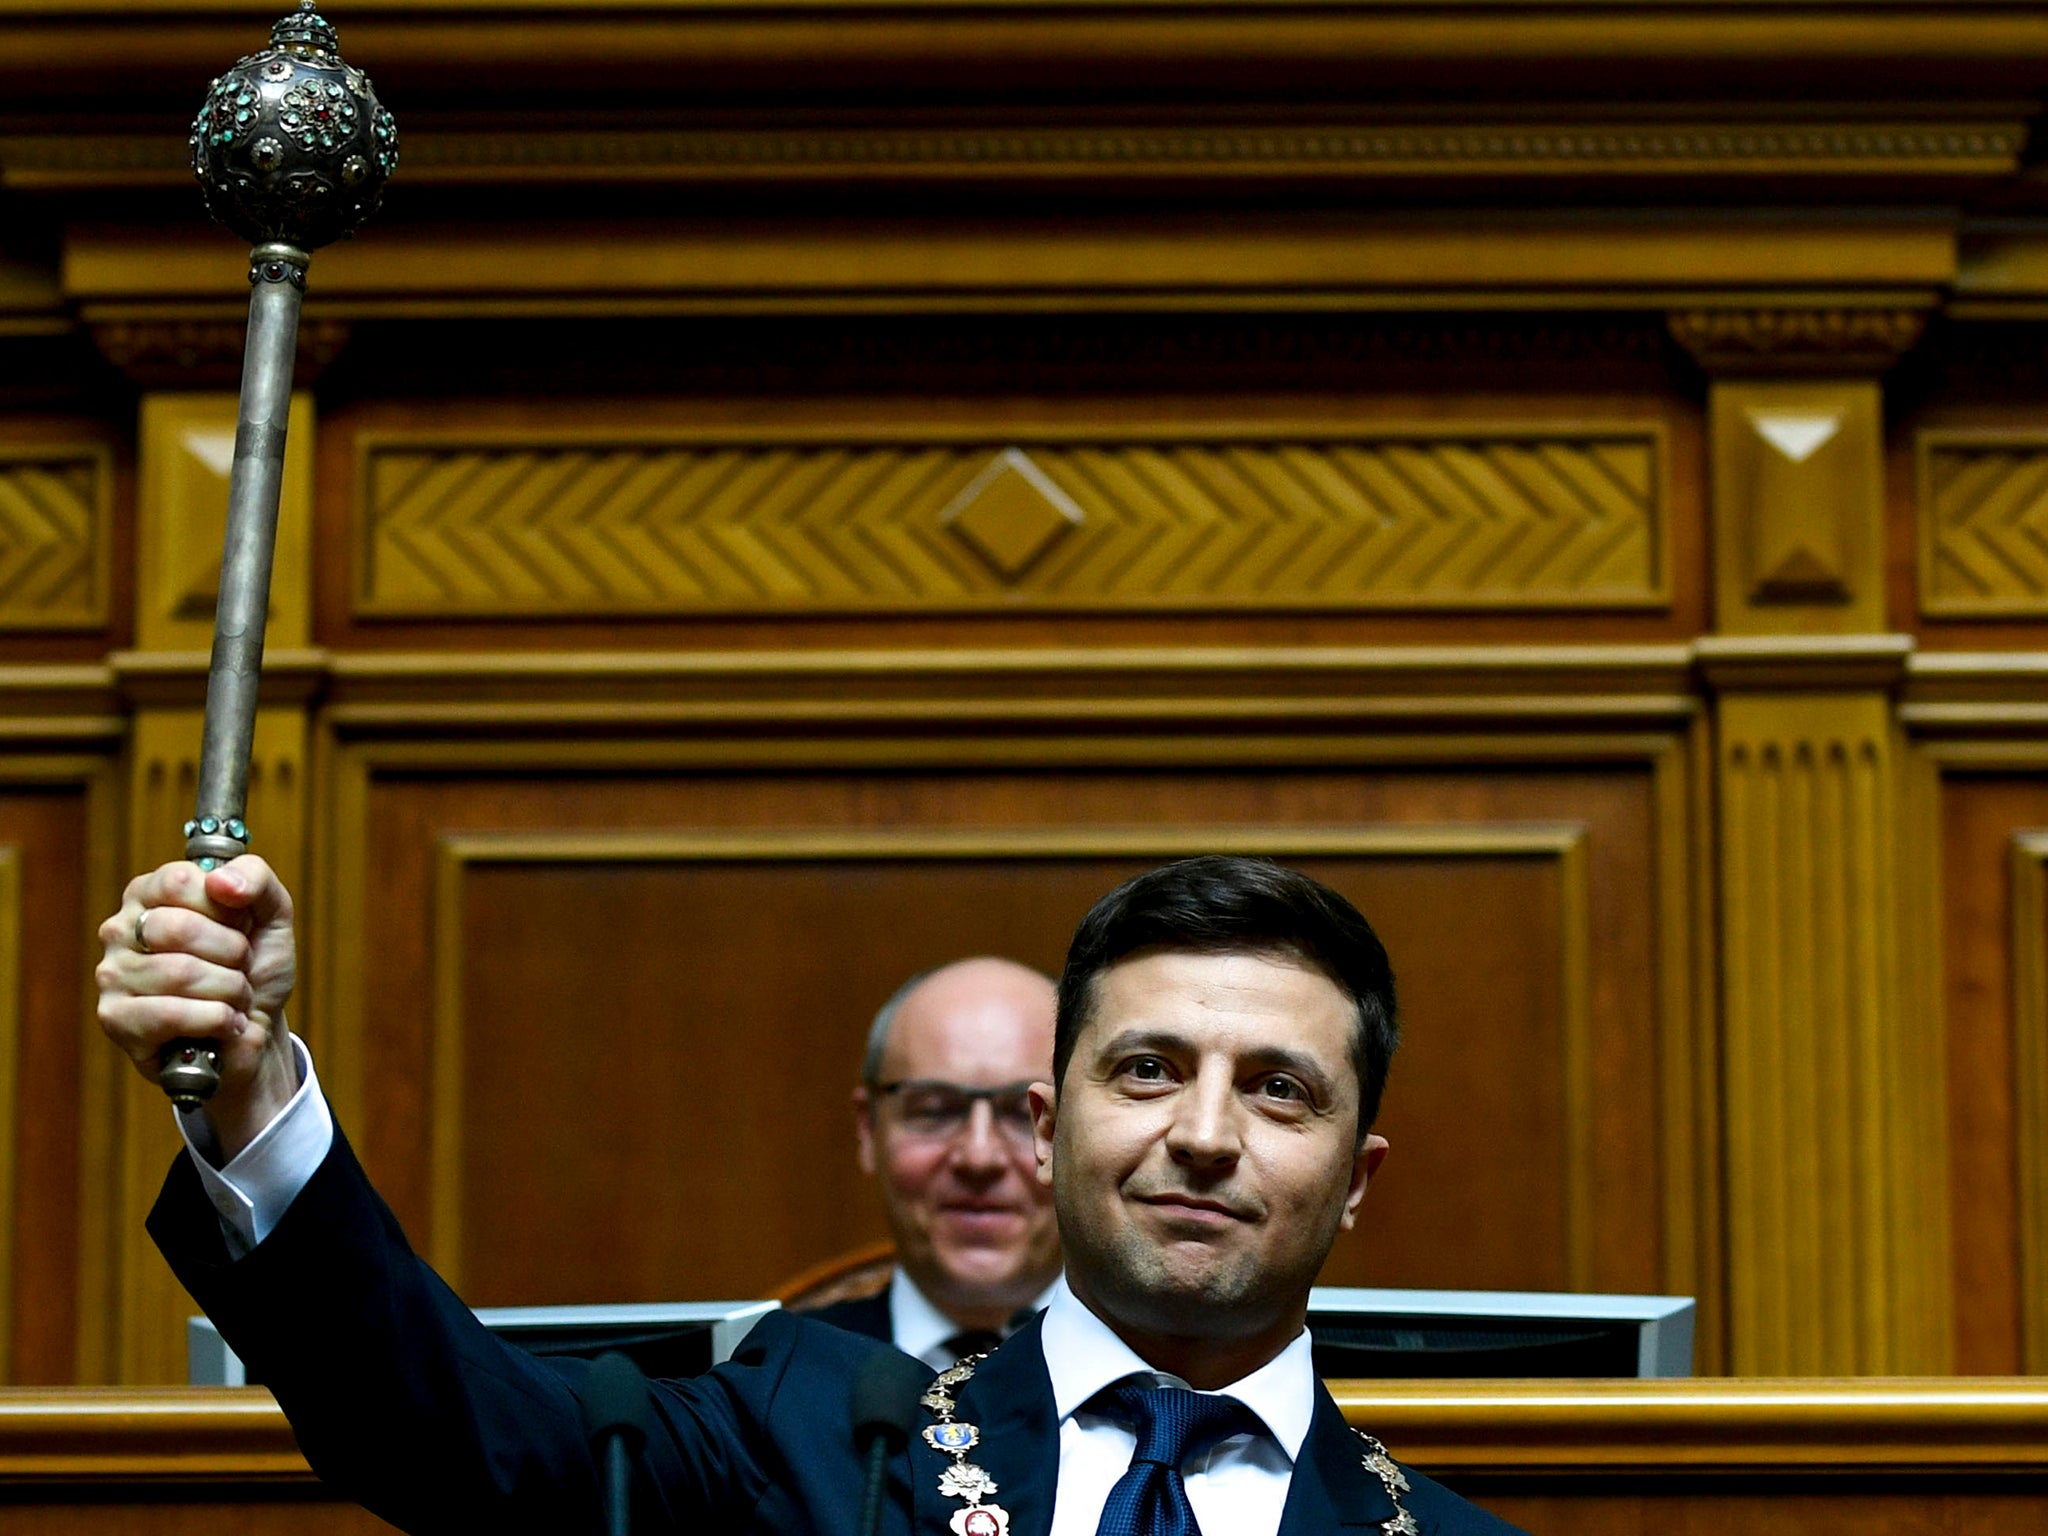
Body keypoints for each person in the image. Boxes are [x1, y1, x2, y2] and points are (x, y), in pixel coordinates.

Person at [98, 853, 1527, 1536]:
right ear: (1047, 1126)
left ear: (1357, 1183)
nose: (1204, 1136)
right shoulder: (808, 1435)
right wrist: (246, 1088)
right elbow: (455, 1434)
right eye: (1147, 1069)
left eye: (1280, 1089)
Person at [807, 958, 1062, 1369]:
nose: (979, 1158)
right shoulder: (776, 1381)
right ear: (869, 1129)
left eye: (1023, 1115)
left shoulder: (1172, 1379)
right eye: (934, 1111)